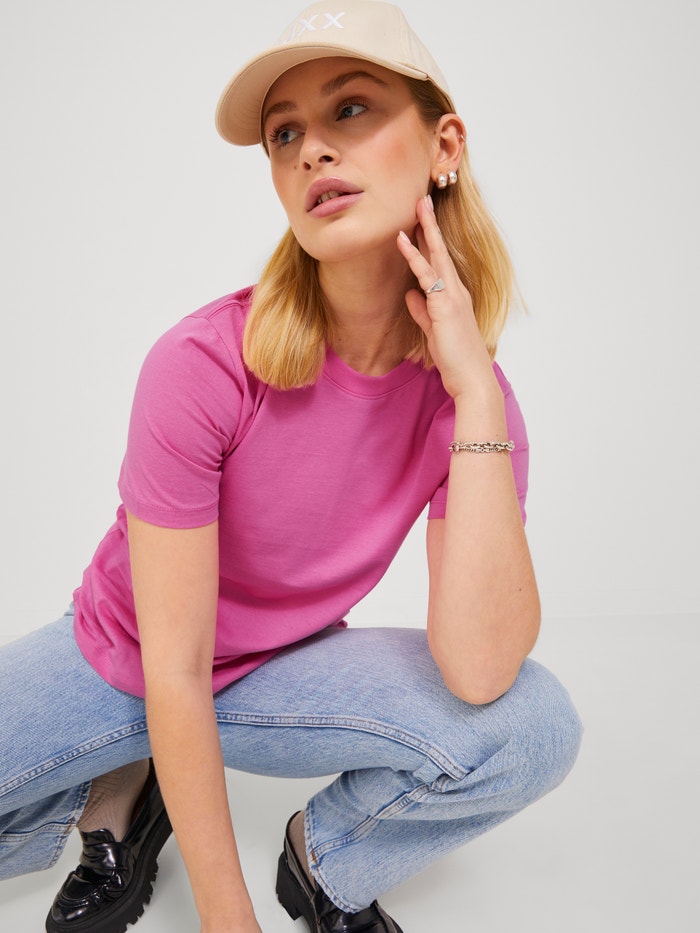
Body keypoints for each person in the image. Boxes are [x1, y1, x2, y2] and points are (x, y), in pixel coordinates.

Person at [0, 2, 582, 932]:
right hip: (123, 658)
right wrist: (227, 920)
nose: (312, 149)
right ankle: (122, 789)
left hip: (280, 669)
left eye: (350, 109)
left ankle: (326, 859)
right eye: (285, 133)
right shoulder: (201, 363)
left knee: (532, 726)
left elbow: (480, 669)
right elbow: (174, 665)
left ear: (444, 145)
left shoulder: (474, 402)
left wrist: (475, 392)